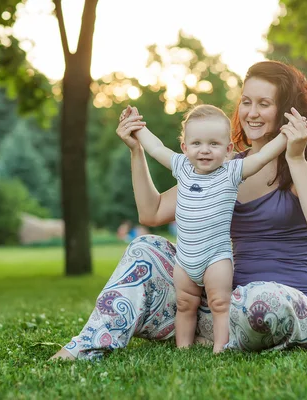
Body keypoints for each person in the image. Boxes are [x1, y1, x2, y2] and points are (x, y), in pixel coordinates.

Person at [51, 60, 307, 361]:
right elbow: (152, 213)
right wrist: (136, 152)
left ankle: (219, 335)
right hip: (225, 305)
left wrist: (294, 157)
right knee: (145, 248)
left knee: (259, 300)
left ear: (285, 110)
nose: (251, 113)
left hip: (292, 306)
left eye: (264, 104)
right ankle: (89, 346)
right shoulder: (223, 169)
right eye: (246, 102)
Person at [124, 103, 289, 352]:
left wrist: (286, 135)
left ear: (228, 149)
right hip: (185, 258)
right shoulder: (182, 168)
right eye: (197, 143)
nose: (205, 150)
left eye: (214, 144)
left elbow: (263, 157)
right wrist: (136, 127)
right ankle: (183, 348)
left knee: (220, 304)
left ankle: (220, 349)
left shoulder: (232, 171)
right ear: (185, 148)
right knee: (184, 304)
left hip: (216, 258)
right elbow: (156, 147)